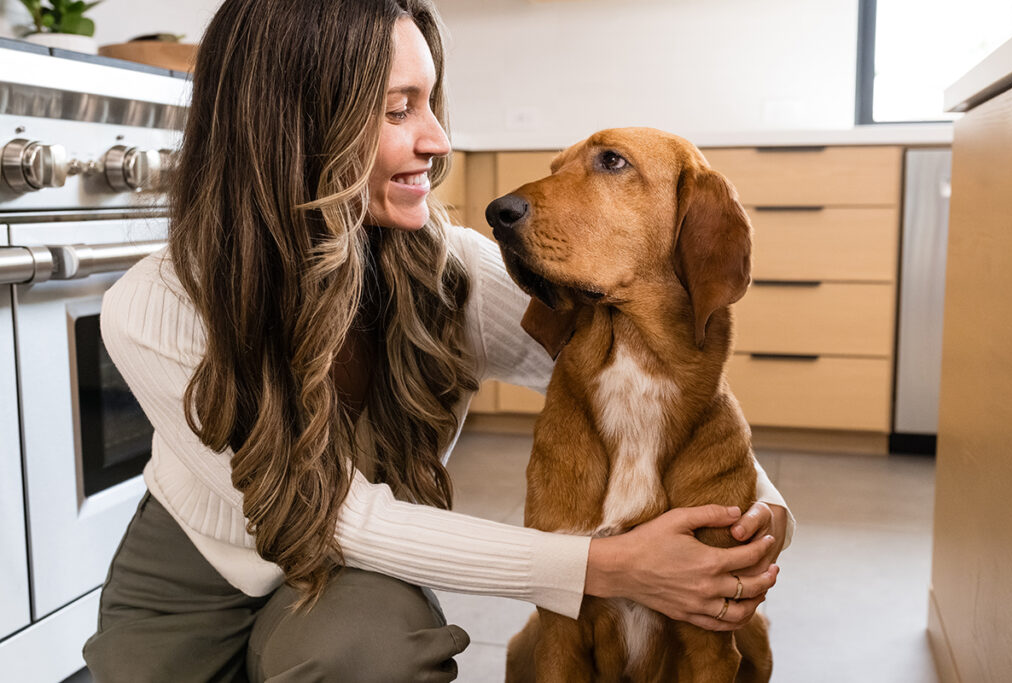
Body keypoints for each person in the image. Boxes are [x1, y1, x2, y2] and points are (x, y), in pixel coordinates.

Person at [83, 0, 793, 681]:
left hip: (351, 578)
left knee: (371, 652)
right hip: (201, 565)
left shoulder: (458, 275)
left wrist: (758, 513)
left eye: (430, 101)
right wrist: (604, 568)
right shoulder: (155, 304)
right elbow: (338, 516)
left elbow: (668, 390)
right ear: (294, 124)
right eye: (398, 109)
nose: (437, 139)